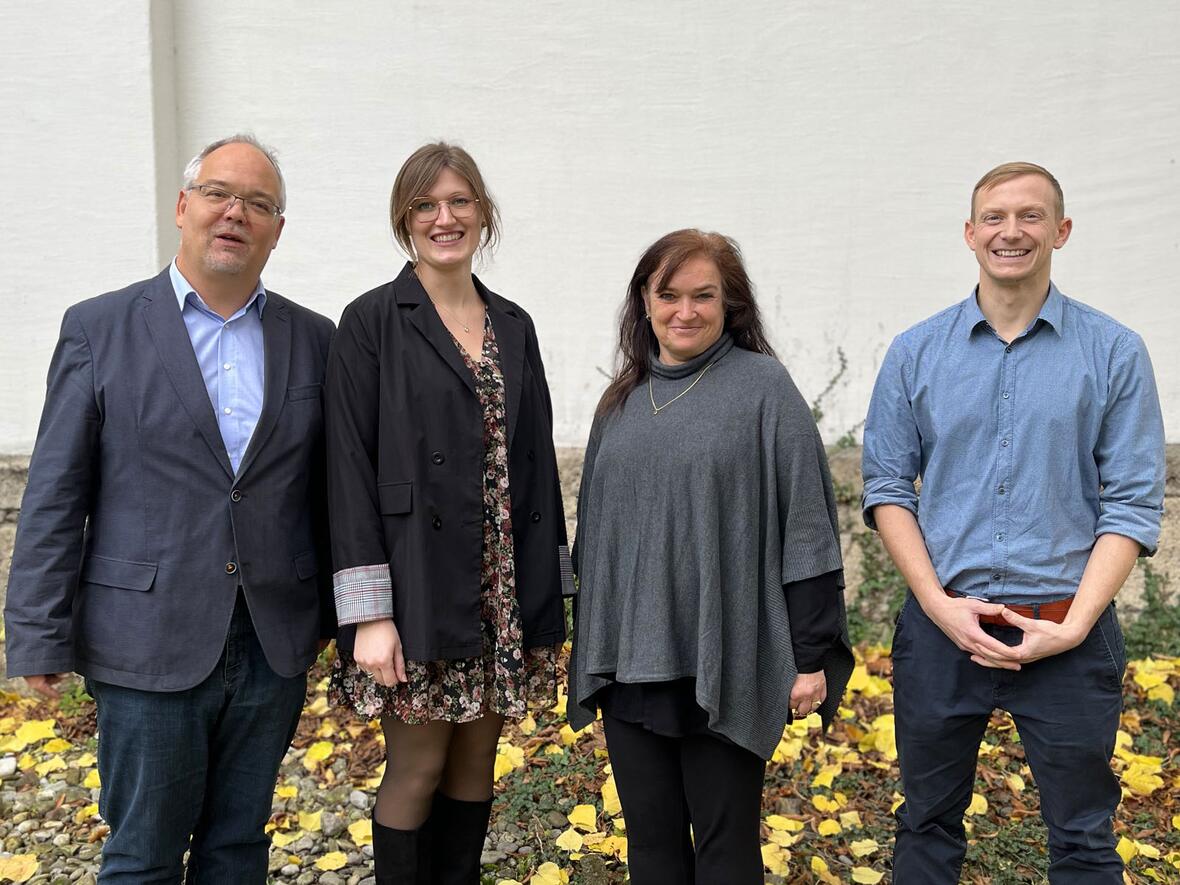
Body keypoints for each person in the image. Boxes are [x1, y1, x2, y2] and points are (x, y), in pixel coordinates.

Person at [3, 134, 335, 883]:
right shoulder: (100, 327)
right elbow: (57, 491)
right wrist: (36, 632)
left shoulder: (314, 339)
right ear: (183, 206)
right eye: (219, 193)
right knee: (142, 856)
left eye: (259, 203)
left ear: (277, 229)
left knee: (238, 847)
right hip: (145, 641)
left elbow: (326, 492)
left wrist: (342, 618)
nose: (235, 214)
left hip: (272, 643)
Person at [862, 162, 1166, 883]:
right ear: (970, 234)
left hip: (1067, 630)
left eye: (1031, 216)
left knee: (1085, 841)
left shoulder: (1113, 352)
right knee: (925, 826)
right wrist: (937, 606)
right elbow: (886, 486)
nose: (1012, 230)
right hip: (943, 634)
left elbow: (1130, 500)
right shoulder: (915, 352)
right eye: (995, 216)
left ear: (1061, 231)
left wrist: (1074, 625)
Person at [568, 229, 854, 884]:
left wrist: (811, 654)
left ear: (730, 306)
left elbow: (805, 521)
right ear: (645, 299)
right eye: (669, 294)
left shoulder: (764, 388)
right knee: (652, 848)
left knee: (726, 853)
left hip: (725, 655)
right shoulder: (619, 401)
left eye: (704, 296)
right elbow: (599, 537)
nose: (685, 311)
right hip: (629, 666)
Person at [324, 142, 569, 884]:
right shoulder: (371, 320)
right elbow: (346, 470)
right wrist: (369, 612)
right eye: (427, 205)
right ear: (405, 220)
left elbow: (536, 464)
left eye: (460, 201)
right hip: (417, 584)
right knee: (419, 765)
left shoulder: (515, 324)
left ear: (483, 214)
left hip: (499, 585)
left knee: (476, 762)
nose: (445, 217)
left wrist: (550, 597)